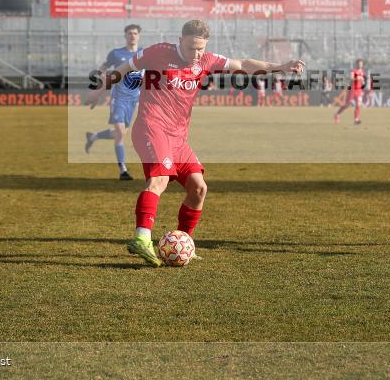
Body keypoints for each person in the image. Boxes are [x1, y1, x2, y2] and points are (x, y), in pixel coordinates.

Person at [88, 19, 304, 267]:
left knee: (199, 188)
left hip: (179, 137)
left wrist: (281, 66)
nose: (196, 54)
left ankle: (184, 242)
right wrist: (99, 88)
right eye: (191, 47)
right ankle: (142, 238)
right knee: (159, 180)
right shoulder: (158, 52)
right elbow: (124, 69)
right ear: (181, 41)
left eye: (200, 48)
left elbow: (243, 64)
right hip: (152, 127)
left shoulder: (206, 60)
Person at [84, 24, 143, 181]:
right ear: (125, 35)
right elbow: (102, 69)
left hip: (133, 100)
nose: (132, 36)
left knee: (119, 133)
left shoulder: (144, 54)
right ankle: (123, 169)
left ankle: (93, 137)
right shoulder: (116, 54)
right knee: (120, 132)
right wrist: (98, 88)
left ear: (139, 36)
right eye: (129, 33)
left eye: (135, 33)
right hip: (118, 98)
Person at [334, 58, 366, 125]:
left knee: (358, 105)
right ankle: (337, 114)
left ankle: (356, 119)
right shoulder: (353, 71)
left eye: (361, 63)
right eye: (359, 63)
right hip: (352, 90)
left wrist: (363, 84)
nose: (360, 65)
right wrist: (358, 78)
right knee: (347, 105)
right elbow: (351, 78)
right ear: (356, 64)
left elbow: (362, 82)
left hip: (359, 90)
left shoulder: (362, 72)